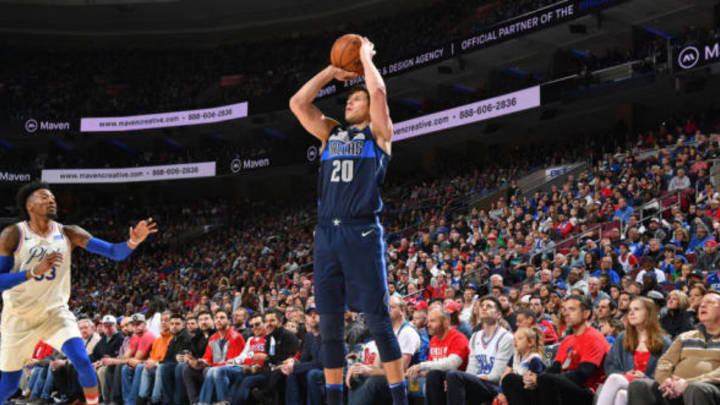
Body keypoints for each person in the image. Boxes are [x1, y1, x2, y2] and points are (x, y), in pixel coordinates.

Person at [289, 36, 407, 405]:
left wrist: (367, 59)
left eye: (358, 98)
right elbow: (297, 103)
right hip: (326, 233)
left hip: (362, 230)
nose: (350, 100)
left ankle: (399, 398)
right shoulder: (330, 132)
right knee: (329, 325)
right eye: (349, 98)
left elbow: (380, 94)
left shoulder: (378, 135)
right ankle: (334, 400)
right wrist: (331, 71)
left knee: (376, 318)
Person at [0, 182, 157, 405]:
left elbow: (114, 252)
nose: (51, 200)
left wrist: (133, 242)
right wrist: (33, 271)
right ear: (29, 206)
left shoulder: (69, 232)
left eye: (53, 197)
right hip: (18, 317)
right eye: (44, 197)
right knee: (8, 386)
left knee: (82, 361)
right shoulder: (13, 234)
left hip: (55, 313)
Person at [502, 295, 609, 405]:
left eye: (572, 309)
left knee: (547, 380)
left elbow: (582, 375)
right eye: (564, 309)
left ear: (586, 313)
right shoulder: (567, 340)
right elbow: (555, 368)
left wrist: (540, 379)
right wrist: (534, 378)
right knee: (510, 380)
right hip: (558, 387)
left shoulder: (594, 337)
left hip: (585, 393)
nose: (565, 313)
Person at [627, 291, 720, 405]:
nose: (703, 305)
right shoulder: (686, 337)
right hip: (675, 389)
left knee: (696, 389)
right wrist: (666, 380)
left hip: (709, 389)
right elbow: (665, 362)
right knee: (639, 385)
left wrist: (688, 383)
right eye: (701, 304)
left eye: (710, 302)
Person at [439, 295, 514, 405]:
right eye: (482, 306)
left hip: (494, 386)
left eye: (489, 306)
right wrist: (464, 378)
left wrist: (466, 378)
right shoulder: (475, 336)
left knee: (454, 376)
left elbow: (498, 375)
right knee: (435, 375)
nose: (484, 308)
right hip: (478, 382)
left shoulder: (506, 337)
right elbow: (472, 369)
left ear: (498, 315)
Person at [596, 297, 671, 405]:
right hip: (626, 383)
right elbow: (610, 365)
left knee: (614, 379)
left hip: (651, 387)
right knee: (621, 394)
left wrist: (644, 377)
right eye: (630, 310)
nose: (631, 313)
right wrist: (624, 373)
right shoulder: (622, 337)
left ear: (649, 313)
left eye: (636, 309)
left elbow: (666, 373)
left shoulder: (664, 341)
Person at [347, 296, 420, 405]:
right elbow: (377, 365)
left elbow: (401, 371)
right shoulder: (388, 332)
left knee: (374, 381)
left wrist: (371, 371)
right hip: (388, 377)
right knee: (356, 377)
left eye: (392, 307)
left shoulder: (407, 332)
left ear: (402, 310)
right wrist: (357, 367)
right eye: (386, 308)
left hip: (410, 381)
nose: (387, 310)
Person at [404, 308, 469, 401]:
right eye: (428, 321)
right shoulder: (434, 340)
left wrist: (421, 366)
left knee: (431, 378)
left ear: (446, 323)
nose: (428, 325)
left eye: (433, 321)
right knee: (404, 386)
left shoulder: (458, 339)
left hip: (455, 385)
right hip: (437, 382)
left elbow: (451, 364)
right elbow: (433, 366)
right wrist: (418, 373)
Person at [497, 327, 546, 405]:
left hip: (530, 394)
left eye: (519, 338)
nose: (515, 341)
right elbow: (505, 375)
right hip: (516, 390)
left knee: (511, 379)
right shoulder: (515, 356)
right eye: (514, 339)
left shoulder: (534, 359)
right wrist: (501, 392)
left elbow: (532, 383)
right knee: (509, 379)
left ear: (530, 343)